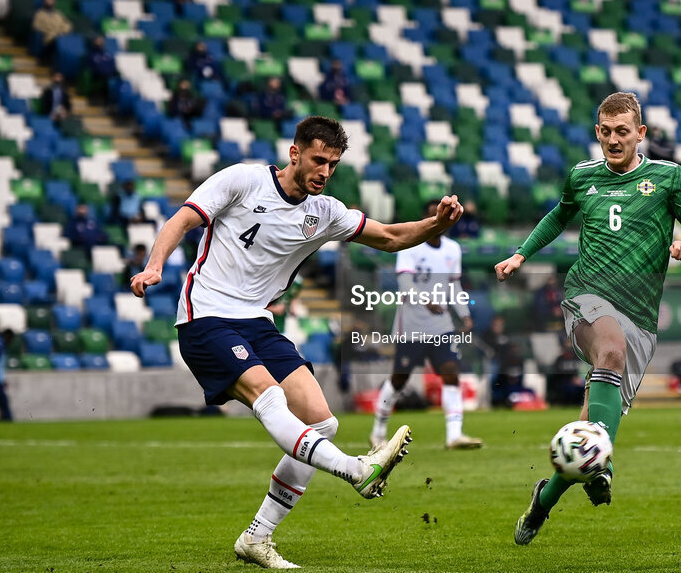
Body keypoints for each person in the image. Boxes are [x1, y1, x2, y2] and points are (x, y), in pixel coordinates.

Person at [129, 116, 463, 568]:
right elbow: (182, 220)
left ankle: (256, 537)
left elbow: (388, 237)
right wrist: (155, 266)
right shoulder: (243, 181)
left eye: (334, 164)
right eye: (319, 160)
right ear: (295, 153)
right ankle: (357, 470)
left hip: (257, 323)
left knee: (322, 423)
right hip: (206, 316)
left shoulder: (324, 212)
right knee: (270, 398)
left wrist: (435, 224)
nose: (325, 172)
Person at [495, 92, 681, 545]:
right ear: (597, 132)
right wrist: (521, 254)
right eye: (605, 131)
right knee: (610, 352)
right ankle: (607, 466)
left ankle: (544, 499)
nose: (613, 140)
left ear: (641, 134)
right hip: (587, 298)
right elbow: (559, 216)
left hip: (641, 318)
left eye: (622, 131)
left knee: (585, 438)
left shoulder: (669, 178)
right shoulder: (582, 176)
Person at [368, 200, 481, 451]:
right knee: (399, 379)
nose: (439, 220)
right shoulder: (410, 246)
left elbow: (454, 286)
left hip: (441, 324)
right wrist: (426, 300)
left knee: (451, 372)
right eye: (434, 215)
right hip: (411, 324)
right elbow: (405, 284)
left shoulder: (453, 249)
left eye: (443, 215)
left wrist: (464, 313)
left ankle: (454, 435)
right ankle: (377, 432)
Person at [32, 0, 72, 64]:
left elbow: (67, 24)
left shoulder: (58, 13)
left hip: (61, 35)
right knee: (54, 42)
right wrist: (47, 30)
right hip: (49, 36)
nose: (50, 2)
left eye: (51, 0)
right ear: (44, 2)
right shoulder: (39, 13)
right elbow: (36, 25)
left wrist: (63, 31)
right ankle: (44, 59)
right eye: (48, 0)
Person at [86, 35, 116, 105]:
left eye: (101, 41)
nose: (99, 43)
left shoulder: (107, 54)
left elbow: (112, 64)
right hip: (96, 76)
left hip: (109, 75)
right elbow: (90, 66)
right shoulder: (91, 54)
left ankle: (109, 102)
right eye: (98, 41)